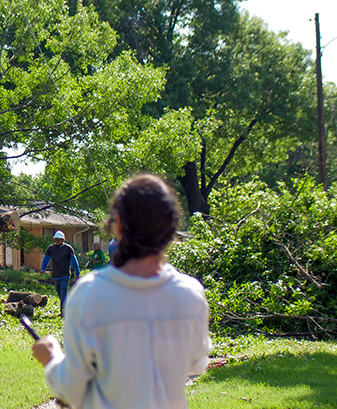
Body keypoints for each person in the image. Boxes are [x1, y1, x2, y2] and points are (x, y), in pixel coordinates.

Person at [32, 174, 211, 409]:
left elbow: (71, 389)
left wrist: (52, 358)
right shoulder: (190, 294)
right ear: (172, 227)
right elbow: (196, 363)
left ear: (117, 223)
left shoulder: (89, 294)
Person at [40, 230, 80, 317]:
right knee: (59, 293)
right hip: (55, 274)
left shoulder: (68, 249)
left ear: (62, 240)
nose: (57, 241)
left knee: (63, 292)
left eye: (59, 239)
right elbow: (46, 259)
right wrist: (43, 268)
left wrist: (77, 273)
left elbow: (74, 261)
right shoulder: (51, 248)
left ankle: (64, 312)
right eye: (56, 239)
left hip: (65, 274)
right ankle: (67, 309)